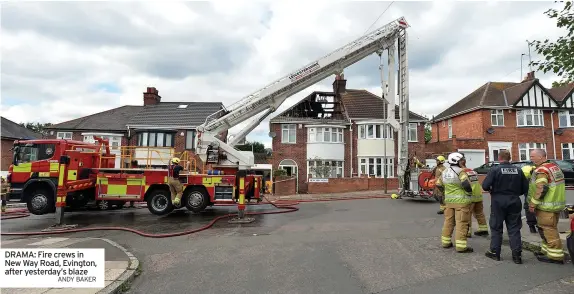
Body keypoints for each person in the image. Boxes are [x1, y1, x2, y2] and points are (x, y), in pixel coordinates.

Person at [481, 150, 528, 263]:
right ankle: (517, 256)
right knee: (514, 228)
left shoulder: (495, 169)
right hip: (514, 200)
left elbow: (485, 186)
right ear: (510, 158)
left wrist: (493, 190)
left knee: (496, 227)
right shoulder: (518, 170)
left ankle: (495, 252)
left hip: (498, 200)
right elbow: (525, 188)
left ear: (499, 158)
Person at [527, 149, 566, 264]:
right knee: (545, 228)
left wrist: (533, 203)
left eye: (533, 156)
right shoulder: (554, 167)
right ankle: (546, 250)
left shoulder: (542, 170)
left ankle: (555, 256)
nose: (531, 158)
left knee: (549, 229)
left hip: (546, 206)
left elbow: (542, 188)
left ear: (541, 157)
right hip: (555, 204)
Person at [436, 152, 474, 253]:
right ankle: (461, 247)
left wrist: (444, 192)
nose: (463, 161)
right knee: (461, 223)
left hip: (448, 202)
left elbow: (438, 184)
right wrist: (469, 193)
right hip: (461, 202)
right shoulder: (460, 172)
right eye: (461, 160)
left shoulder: (445, 172)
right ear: (457, 161)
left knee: (448, 222)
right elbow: (466, 184)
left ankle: (446, 242)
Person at [460, 156, 489, 237]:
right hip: (478, 195)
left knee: (467, 214)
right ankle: (483, 229)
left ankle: (467, 231)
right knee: (479, 213)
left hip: (470, 196)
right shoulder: (472, 171)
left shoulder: (461, 172)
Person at [521, 164, 538, 233]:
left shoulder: (526, 169)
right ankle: (534, 226)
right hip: (532, 188)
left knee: (528, 205)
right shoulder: (534, 170)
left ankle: (532, 226)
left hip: (529, 188)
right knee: (532, 205)